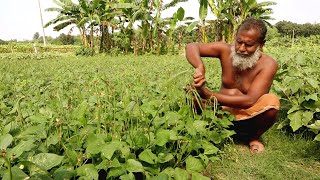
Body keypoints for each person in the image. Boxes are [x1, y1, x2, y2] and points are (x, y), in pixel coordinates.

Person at [185, 17, 280, 153]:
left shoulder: (268, 64)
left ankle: (253, 137)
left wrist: (208, 94)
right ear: (235, 38)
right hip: (219, 112)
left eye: (248, 45)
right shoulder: (225, 50)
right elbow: (191, 46)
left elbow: (250, 100)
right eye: (239, 42)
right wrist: (199, 67)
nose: (241, 48)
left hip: (247, 117)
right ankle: (211, 129)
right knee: (191, 94)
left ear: (261, 44)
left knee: (272, 102)